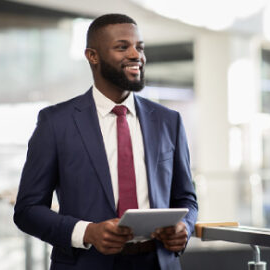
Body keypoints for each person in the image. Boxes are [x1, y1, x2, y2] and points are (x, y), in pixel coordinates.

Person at [14, 13, 198, 270]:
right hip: (87, 262)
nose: (136, 55)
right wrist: (87, 232)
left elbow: (186, 199)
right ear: (93, 56)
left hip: (158, 262)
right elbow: (28, 210)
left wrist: (185, 227)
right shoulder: (56, 123)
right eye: (123, 47)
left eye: (139, 47)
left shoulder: (168, 121)